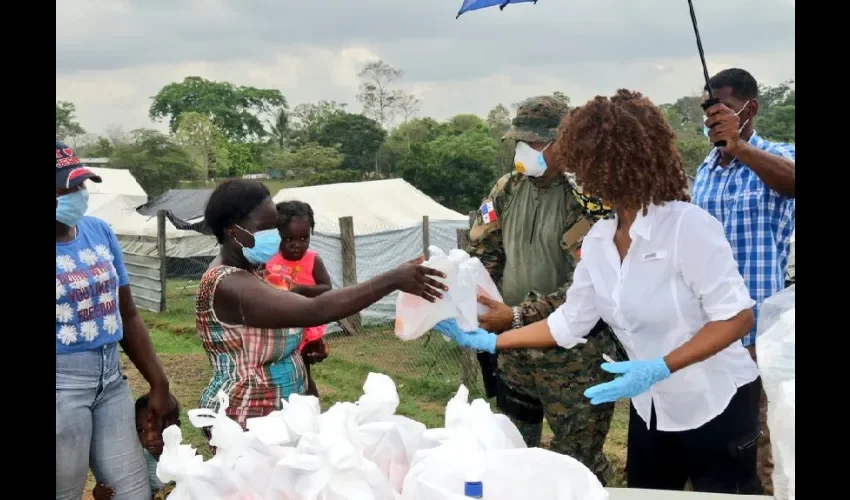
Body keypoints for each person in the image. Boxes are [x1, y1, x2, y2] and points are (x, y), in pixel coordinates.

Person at [437, 90, 763, 494]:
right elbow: (570, 322)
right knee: (645, 491)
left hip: (716, 402)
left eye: (582, 164)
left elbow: (737, 317)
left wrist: (661, 364)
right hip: (651, 406)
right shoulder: (601, 239)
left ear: (612, 166)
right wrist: (491, 340)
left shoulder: (686, 228)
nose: (576, 174)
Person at [196, 179, 446, 433]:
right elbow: (314, 310)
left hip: (279, 413)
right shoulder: (228, 283)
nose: (277, 237)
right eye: (265, 228)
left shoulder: (254, 272)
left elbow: (270, 330)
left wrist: (301, 346)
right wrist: (392, 279)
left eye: (276, 228)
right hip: (246, 421)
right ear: (232, 230)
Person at [468, 95, 622, 484]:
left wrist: (518, 315)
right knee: (513, 454)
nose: (526, 151)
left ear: (564, 142)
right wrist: (483, 302)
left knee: (578, 462)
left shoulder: (590, 199)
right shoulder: (507, 188)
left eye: (537, 144)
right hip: (515, 351)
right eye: (521, 142)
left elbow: (587, 285)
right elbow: (486, 249)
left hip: (574, 358)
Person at [56, 141, 178, 500]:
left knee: (133, 492)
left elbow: (127, 313)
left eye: (80, 185)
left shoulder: (98, 232)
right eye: (65, 188)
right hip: (61, 389)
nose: (78, 194)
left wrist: (159, 383)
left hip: (111, 382)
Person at [696, 68, 795, 495]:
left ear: (749, 108)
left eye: (721, 107)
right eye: (707, 107)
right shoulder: (704, 169)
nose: (710, 116)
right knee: (712, 438)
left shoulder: (776, 154)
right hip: (705, 327)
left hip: (757, 330)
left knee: (758, 441)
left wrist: (739, 147)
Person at [265, 200, 332, 398]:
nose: (297, 245)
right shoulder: (272, 262)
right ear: (279, 235)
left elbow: (326, 287)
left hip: (308, 326)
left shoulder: (313, 260)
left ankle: (312, 403)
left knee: (303, 372)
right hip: (284, 327)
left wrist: (299, 289)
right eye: (289, 239)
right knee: (289, 373)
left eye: (304, 238)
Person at [92, 393, 181, 500]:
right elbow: (121, 486)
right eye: (141, 430)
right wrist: (99, 493)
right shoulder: (137, 460)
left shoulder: (187, 456)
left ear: (176, 426)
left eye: (158, 428)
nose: (150, 437)